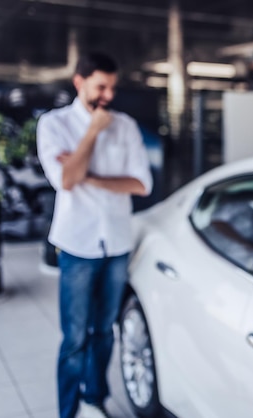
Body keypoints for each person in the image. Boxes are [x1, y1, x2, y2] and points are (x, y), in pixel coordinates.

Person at [36, 52, 153, 418]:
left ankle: (94, 399)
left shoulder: (127, 126)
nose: (107, 95)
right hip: (76, 245)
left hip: (116, 243)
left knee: (104, 331)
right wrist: (92, 133)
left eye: (112, 88)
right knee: (74, 339)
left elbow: (141, 184)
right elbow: (66, 180)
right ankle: (67, 413)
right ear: (79, 82)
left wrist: (90, 176)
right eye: (100, 86)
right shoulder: (53, 125)